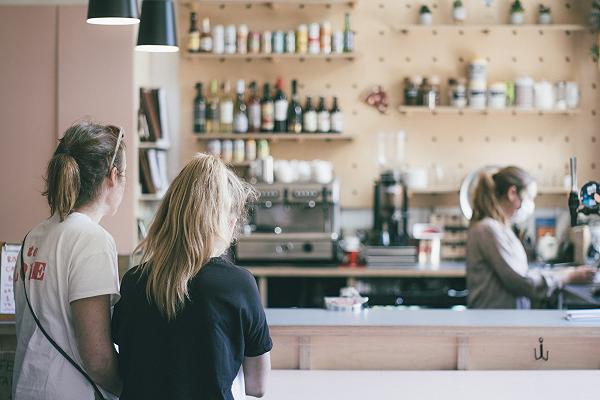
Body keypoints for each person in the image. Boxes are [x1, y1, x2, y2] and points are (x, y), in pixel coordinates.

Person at [112, 153, 272, 400]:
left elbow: (126, 365)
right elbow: (257, 386)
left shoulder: (133, 281)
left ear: (168, 214)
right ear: (227, 222)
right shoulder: (239, 285)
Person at [13, 121, 126, 399]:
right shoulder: (92, 239)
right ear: (113, 176)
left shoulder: (33, 237)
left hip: (28, 387)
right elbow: (97, 358)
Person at [467, 166, 595, 309]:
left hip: (503, 319)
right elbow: (522, 282)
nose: (530, 204)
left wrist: (560, 273)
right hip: (494, 323)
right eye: (529, 197)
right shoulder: (488, 229)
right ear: (512, 193)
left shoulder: (500, 228)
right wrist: (567, 276)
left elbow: (521, 273)